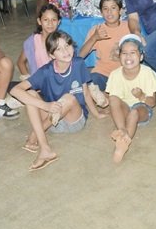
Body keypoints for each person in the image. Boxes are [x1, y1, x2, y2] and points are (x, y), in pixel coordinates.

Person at [10, 31, 101, 171]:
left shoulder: (78, 64)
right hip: (52, 119)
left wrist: (97, 114)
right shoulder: (45, 71)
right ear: (52, 55)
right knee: (31, 94)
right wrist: (45, 105)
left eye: (67, 45)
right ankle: (45, 148)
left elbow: (86, 92)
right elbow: (15, 90)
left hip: (74, 121)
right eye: (59, 49)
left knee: (69, 98)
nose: (65, 51)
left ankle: (35, 133)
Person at [107, 34, 156, 162]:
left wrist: (141, 96)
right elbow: (115, 102)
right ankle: (122, 129)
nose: (128, 57)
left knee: (134, 112)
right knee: (113, 98)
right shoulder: (115, 74)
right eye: (124, 53)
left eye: (132, 53)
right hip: (126, 108)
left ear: (141, 56)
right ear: (119, 56)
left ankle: (123, 143)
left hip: (142, 109)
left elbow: (152, 103)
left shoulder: (147, 73)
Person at [78, 0, 130, 94]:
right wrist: (94, 38)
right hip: (103, 73)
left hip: (125, 73)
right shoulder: (97, 30)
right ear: (101, 13)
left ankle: (110, 96)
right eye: (105, 9)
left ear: (120, 11)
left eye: (113, 8)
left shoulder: (128, 27)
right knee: (90, 86)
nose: (109, 12)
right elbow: (81, 55)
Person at [17, 4, 61, 80]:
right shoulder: (32, 41)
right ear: (39, 21)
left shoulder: (63, 40)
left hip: (59, 81)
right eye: (46, 20)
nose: (50, 23)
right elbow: (20, 62)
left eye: (54, 20)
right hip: (40, 82)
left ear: (58, 22)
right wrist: (30, 81)